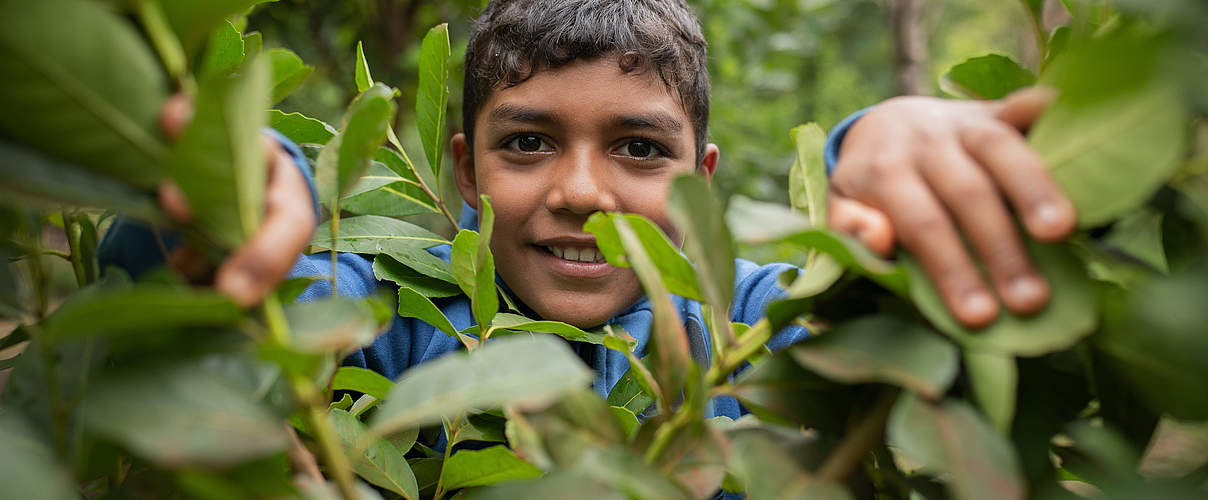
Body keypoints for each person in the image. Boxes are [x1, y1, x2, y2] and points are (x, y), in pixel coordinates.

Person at [103, 0, 1075, 417]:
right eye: (526, 142)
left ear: (697, 176)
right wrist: (237, 183)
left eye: (637, 148)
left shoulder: (758, 321)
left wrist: (876, 150)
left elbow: (875, 310)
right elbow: (199, 286)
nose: (578, 189)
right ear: (465, 174)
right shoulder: (390, 317)